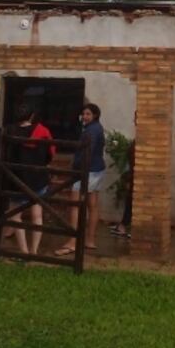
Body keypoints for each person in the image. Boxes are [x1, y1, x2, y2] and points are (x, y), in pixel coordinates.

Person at [55, 103, 105, 256]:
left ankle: (73, 242)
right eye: (83, 114)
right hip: (97, 169)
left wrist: (76, 166)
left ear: (95, 115)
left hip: (87, 171)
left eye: (88, 114)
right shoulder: (96, 128)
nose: (85, 117)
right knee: (93, 205)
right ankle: (90, 240)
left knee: (75, 205)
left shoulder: (92, 130)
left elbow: (87, 151)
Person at [6, 103, 54, 255]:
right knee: (37, 215)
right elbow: (51, 153)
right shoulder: (42, 131)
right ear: (32, 116)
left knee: (16, 216)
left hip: (16, 179)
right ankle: (34, 250)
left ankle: (24, 251)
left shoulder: (9, 130)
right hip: (38, 178)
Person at [110, 140, 134, 238]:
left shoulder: (135, 145)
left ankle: (123, 226)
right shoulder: (134, 145)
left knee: (130, 202)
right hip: (134, 178)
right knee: (130, 202)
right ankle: (122, 226)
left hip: (135, 178)